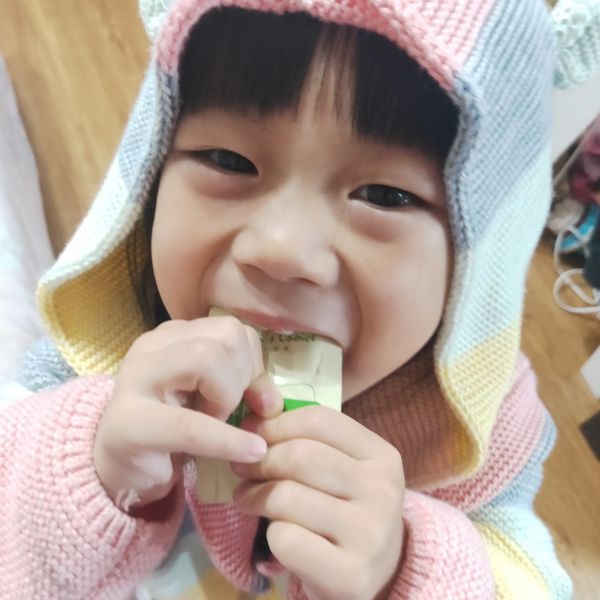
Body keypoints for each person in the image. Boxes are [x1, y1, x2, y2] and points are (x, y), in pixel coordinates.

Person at [0, 1, 576, 598]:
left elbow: (529, 573)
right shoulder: (119, 338)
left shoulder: (475, 426)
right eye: (229, 160)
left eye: (384, 195)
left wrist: (404, 570)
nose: (282, 249)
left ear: (477, 260)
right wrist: (95, 463)